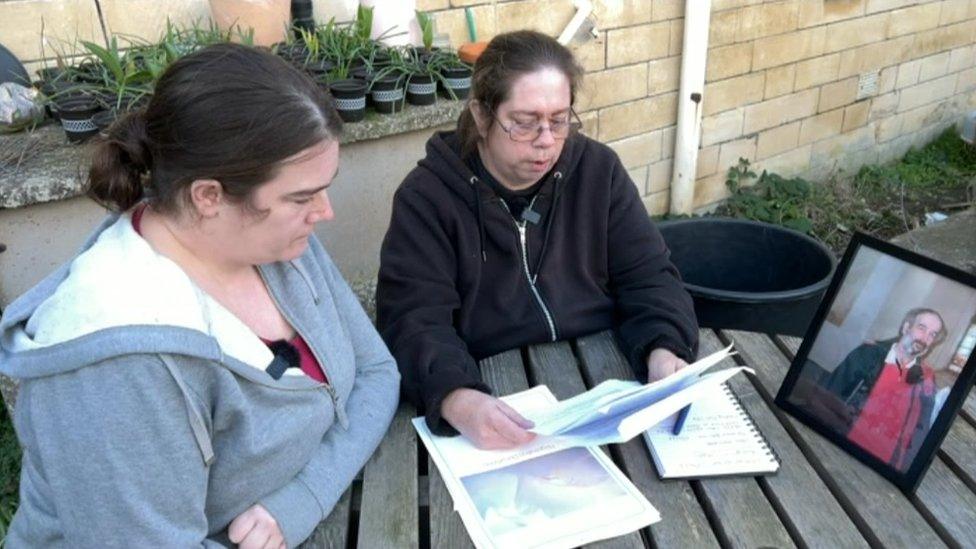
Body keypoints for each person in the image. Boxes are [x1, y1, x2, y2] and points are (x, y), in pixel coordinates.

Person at [0, 44, 400, 547]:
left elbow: (378, 375)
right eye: (301, 197)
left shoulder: (281, 244)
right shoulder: (117, 369)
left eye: (323, 188)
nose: (325, 212)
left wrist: (303, 496)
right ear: (208, 196)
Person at [376, 31, 698, 450]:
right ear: (481, 114)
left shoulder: (599, 171)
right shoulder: (427, 197)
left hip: (607, 383)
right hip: (491, 389)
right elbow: (413, 318)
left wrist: (663, 347)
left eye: (560, 120)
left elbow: (649, 275)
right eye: (524, 123)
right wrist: (456, 396)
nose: (546, 140)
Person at [823, 307, 946, 471]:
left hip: (884, 467)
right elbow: (828, 394)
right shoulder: (867, 355)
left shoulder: (927, 381)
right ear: (906, 328)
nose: (925, 338)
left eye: (932, 334)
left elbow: (920, 431)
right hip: (837, 444)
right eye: (921, 328)